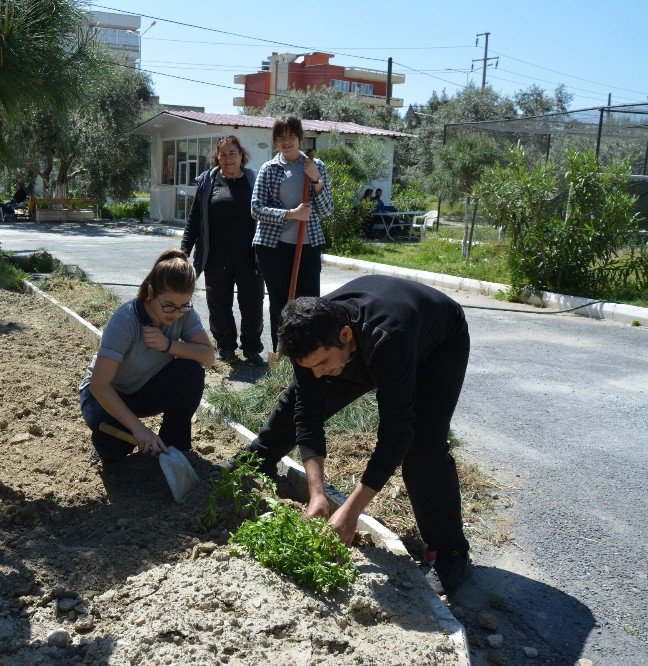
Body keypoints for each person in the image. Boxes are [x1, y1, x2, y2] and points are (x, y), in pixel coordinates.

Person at [226, 275, 472, 595]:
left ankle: (451, 552)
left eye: (322, 363)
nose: (317, 373)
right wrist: (316, 492)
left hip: (435, 344)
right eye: (310, 366)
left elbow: (396, 432)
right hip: (358, 348)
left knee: (422, 445)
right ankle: (256, 461)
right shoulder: (310, 339)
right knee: (295, 402)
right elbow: (308, 414)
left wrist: (351, 511)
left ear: (344, 334)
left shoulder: (387, 338)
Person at [79, 249, 216, 462]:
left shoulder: (184, 314)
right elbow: (99, 385)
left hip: (142, 391)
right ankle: (105, 446)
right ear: (151, 292)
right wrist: (140, 429)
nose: (176, 313)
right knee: (116, 448)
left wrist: (168, 345)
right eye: (169, 306)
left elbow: (208, 357)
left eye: (183, 306)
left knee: (191, 371)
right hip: (103, 396)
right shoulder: (125, 320)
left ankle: (174, 448)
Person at [181, 135, 264, 366]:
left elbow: (267, 215)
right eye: (223, 154)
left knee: (252, 305)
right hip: (216, 257)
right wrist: (184, 250)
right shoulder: (208, 182)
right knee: (218, 305)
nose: (228, 158)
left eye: (232, 153)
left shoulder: (254, 180)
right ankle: (226, 347)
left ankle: (252, 348)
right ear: (217, 157)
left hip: (250, 258)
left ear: (241, 155)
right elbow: (194, 219)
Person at [252, 115, 333, 352]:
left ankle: (307, 354)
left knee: (309, 304)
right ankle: (282, 354)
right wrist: (291, 214)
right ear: (276, 141)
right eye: (281, 137)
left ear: (300, 138)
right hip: (273, 247)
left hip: (307, 245)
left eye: (291, 136)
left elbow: (326, 209)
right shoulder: (268, 169)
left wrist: (316, 180)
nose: (287, 141)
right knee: (280, 303)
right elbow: (256, 208)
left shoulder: (315, 167)